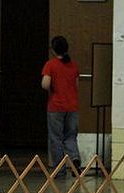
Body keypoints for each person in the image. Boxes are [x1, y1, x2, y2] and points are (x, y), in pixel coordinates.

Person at [41, 35, 81, 177]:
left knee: (56, 138)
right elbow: (76, 85)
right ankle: (75, 159)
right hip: (72, 106)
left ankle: (59, 169)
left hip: (56, 106)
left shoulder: (50, 65)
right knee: (70, 136)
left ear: (53, 50)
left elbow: (45, 84)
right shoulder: (73, 65)